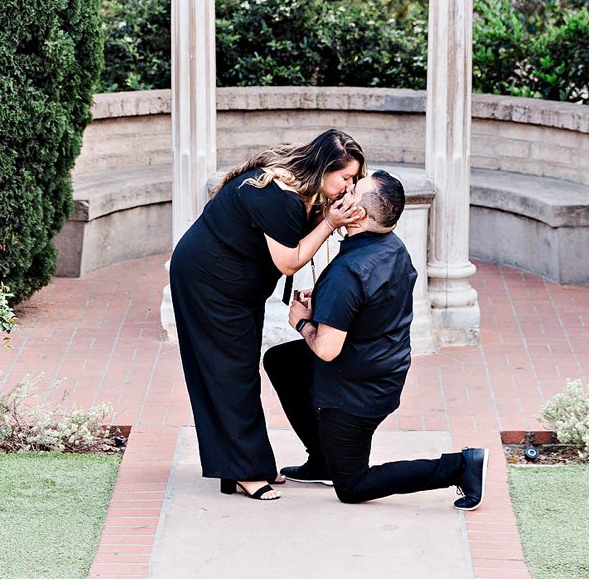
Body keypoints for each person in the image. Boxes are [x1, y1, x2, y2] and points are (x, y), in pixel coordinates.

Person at [262, 170, 489, 511]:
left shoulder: (349, 271)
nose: (345, 190)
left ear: (359, 215)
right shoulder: (391, 247)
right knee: (282, 361)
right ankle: (322, 458)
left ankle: (460, 466)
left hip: (354, 392)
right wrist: (326, 301)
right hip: (381, 368)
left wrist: (303, 322)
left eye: (352, 193)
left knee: (352, 486)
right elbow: (367, 307)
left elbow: (326, 348)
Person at [168, 128, 368, 501]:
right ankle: (245, 471)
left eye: (354, 179)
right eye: (345, 177)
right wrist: (329, 223)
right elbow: (289, 262)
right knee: (229, 373)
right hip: (208, 281)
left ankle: (245, 463)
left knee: (238, 370)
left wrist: (332, 215)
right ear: (324, 168)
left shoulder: (301, 190)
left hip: (233, 284)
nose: (349, 185)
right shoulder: (280, 197)